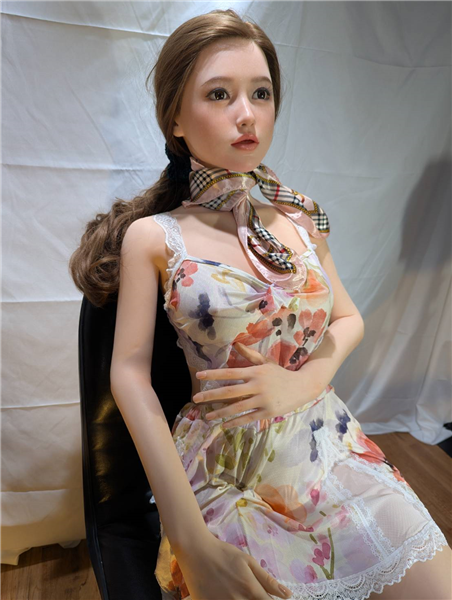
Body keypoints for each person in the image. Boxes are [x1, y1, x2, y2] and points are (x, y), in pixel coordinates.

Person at [69, 8, 451, 600]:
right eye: (219, 94)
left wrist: (305, 381)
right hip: (228, 466)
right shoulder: (155, 237)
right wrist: (188, 539)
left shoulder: (299, 217)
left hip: (328, 445)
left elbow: (349, 318)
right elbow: (128, 374)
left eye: (261, 93)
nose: (247, 113)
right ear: (175, 117)